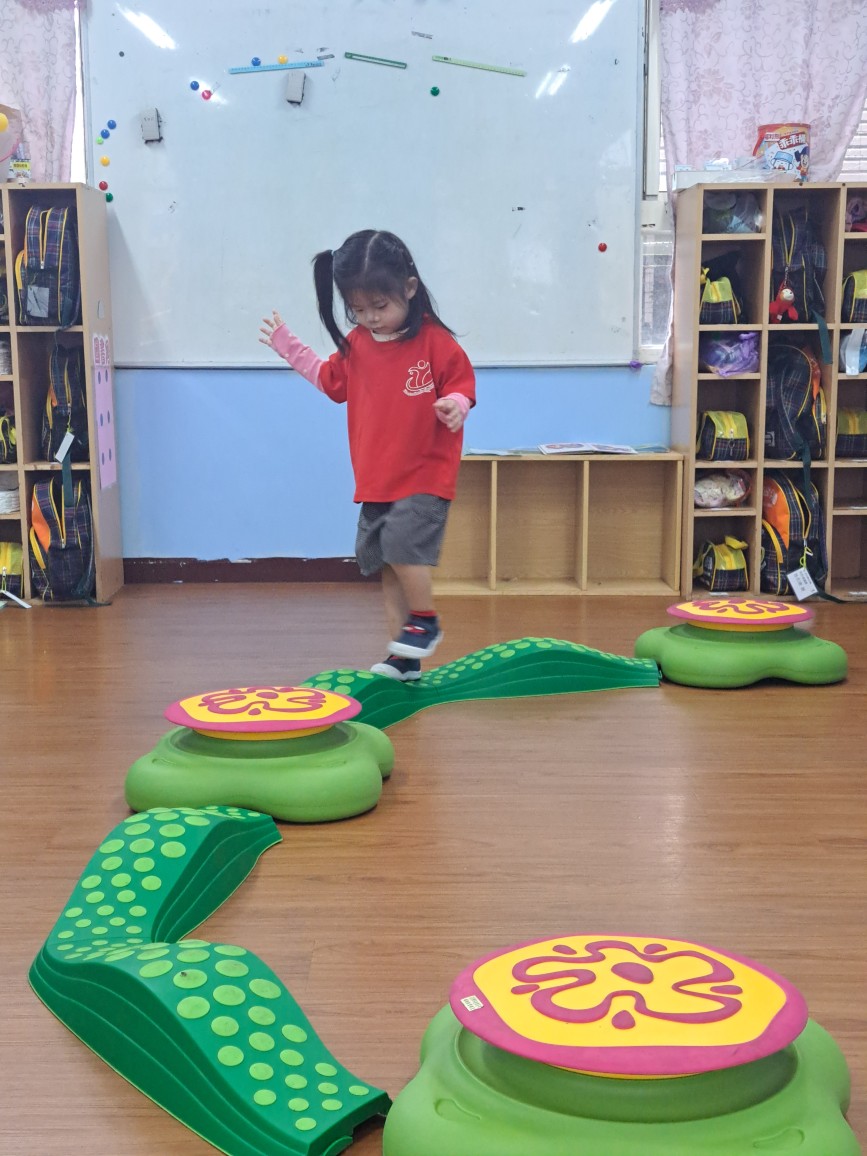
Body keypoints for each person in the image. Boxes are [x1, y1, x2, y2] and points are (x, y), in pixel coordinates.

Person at [260, 229, 476, 681]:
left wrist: (456, 405)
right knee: (385, 563)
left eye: (380, 306)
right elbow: (329, 381)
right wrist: (288, 346)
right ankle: (404, 658)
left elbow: (461, 384)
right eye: (358, 310)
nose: (370, 318)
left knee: (401, 544)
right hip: (377, 477)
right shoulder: (358, 343)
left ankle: (425, 621)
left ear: (409, 289)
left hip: (425, 473)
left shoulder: (434, 341)